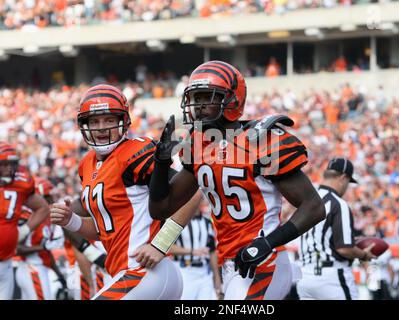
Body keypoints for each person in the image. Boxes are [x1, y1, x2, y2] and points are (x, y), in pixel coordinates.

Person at [144, 60, 325, 300]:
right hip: (230, 264)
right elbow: (160, 208)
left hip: (264, 262)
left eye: (207, 97)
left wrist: (267, 243)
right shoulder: (199, 143)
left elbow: (314, 207)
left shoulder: (261, 140)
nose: (198, 106)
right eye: (195, 98)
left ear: (232, 99)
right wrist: (161, 162)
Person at [50, 84, 199, 300]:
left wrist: (161, 243)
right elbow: (105, 230)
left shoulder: (136, 151)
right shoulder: (87, 165)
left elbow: (194, 190)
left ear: (123, 121)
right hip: (123, 274)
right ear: (84, 125)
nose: (101, 127)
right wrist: (70, 220)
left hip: (146, 272)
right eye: (94, 121)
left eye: (109, 120)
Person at [296, 157, 376, 300]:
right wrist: (364, 255)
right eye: (348, 182)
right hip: (331, 277)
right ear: (343, 177)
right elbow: (344, 248)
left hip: (305, 276)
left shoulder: (307, 201)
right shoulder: (338, 204)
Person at [0, 142, 50, 300]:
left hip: (6, 262)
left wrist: (23, 231)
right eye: (4, 164)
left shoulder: (22, 182)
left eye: (12, 164)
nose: (9, 169)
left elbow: (43, 207)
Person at [15, 177, 66, 300]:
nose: (51, 201)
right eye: (47, 197)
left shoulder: (47, 219)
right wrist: (43, 246)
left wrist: (59, 274)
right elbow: (17, 248)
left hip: (39, 268)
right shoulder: (27, 216)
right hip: (31, 268)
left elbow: (47, 252)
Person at [170, 201, 222, 300]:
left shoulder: (208, 222)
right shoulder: (176, 221)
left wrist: (217, 277)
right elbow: (167, 248)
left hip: (205, 273)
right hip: (184, 271)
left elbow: (212, 251)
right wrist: (192, 251)